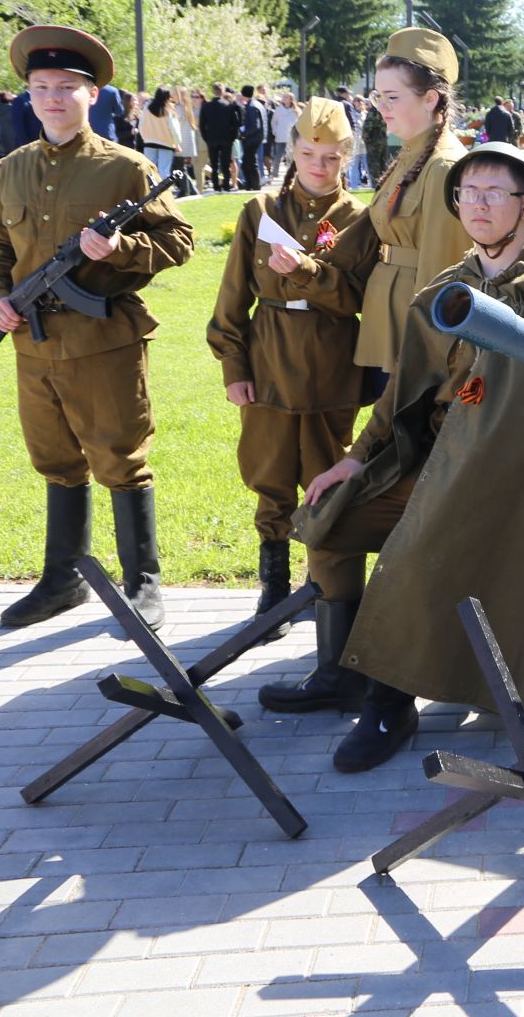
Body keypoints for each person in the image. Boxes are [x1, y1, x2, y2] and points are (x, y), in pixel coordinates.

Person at [269, 143, 524, 771]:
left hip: (502, 483)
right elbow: (402, 391)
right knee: (331, 516)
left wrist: (467, 457)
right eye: (469, 193)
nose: (479, 204)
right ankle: (344, 676)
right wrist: (356, 460)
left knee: (412, 549)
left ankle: (391, 702)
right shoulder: (448, 290)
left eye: (495, 192)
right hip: (429, 464)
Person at [0, 26, 194, 630]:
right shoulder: (11, 170)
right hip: (33, 344)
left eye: (67, 87)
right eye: (41, 87)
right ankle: (62, 580)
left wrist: (118, 248)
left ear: (92, 94)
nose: (53, 97)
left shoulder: (123, 168)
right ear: (28, 94)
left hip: (105, 343)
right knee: (55, 460)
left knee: (121, 457)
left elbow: (178, 241)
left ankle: (142, 582)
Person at [207, 98, 370, 642]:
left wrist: (306, 270)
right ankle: (274, 585)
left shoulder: (359, 219)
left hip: (329, 366)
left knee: (326, 478)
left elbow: (354, 297)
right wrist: (233, 366)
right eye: (307, 154)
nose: (317, 167)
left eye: (329, 157)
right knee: (269, 474)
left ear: (346, 157)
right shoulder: (261, 211)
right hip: (269, 361)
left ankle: (326, 588)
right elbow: (233, 296)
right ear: (292, 152)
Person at [348, 29, 475, 380]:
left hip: (413, 326)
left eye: (392, 97)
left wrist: (428, 352)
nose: (381, 109)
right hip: (387, 316)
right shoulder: (411, 155)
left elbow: (442, 272)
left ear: (430, 99)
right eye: (378, 97)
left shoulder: (443, 166)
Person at [238, 85, 268, 192]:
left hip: (251, 139)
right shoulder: (256, 104)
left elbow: (255, 125)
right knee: (247, 162)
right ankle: (251, 184)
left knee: (249, 163)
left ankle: (254, 185)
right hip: (256, 138)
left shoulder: (251, 107)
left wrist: (243, 134)